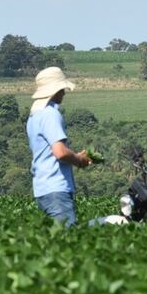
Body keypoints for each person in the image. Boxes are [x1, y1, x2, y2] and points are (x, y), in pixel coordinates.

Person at [26, 67, 92, 226]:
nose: (64, 92)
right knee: (66, 244)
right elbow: (60, 152)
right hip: (56, 188)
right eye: (62, 88)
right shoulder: (50, 114)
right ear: (55, 90)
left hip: (42, 189)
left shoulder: (34, 115)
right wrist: (79, 160)